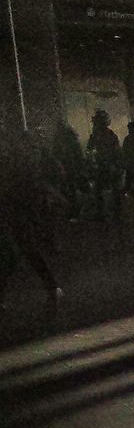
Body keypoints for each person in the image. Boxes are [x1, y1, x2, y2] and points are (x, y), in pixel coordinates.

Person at [0, 126, 63, 312]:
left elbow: (24, 188)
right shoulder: (21, 161)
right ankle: (52, 287)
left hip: (14, 212)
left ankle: (52, 287)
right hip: (15, 212)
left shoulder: (20, 162)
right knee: (20, 253)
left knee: (16, 254)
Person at [86, 109, 122, 222]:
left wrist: (113, 164)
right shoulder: (97, 135)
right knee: (100, 191)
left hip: (109, 166)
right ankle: (105, 213)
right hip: (101, 166)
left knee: (112, 191)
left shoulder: (109, 135)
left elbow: (116, 152)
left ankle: (115, 213)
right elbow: (90, 150)